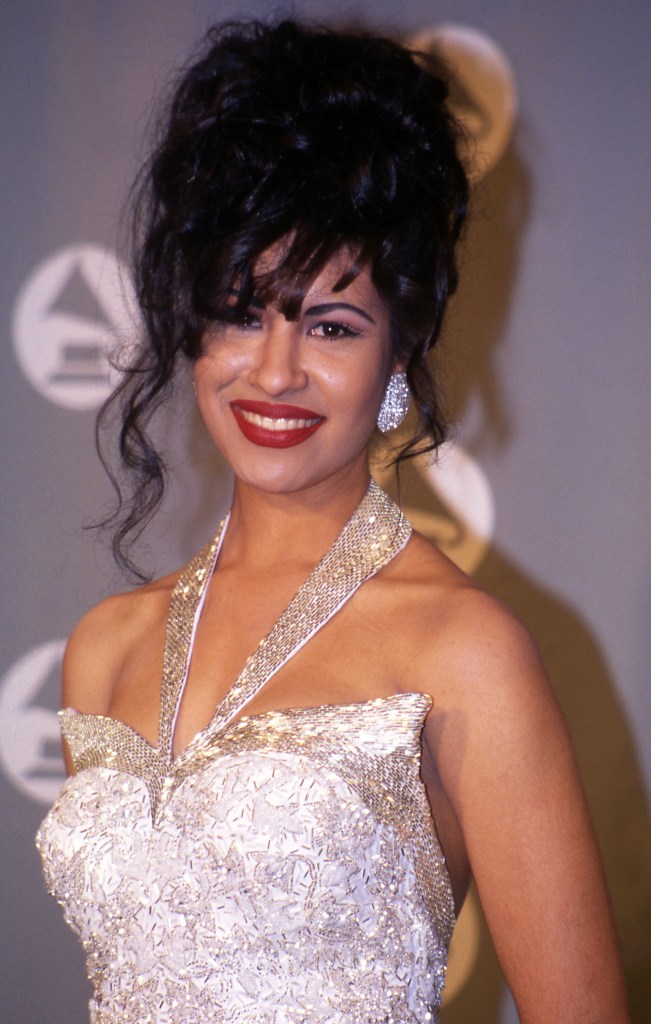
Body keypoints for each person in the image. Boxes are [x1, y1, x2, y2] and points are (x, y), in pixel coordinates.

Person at [36, 18, 630, 1024]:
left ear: (400, 350)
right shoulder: (106, 650)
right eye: (240, 308)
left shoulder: (466, 650)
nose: (274, 371)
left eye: (331, 325)